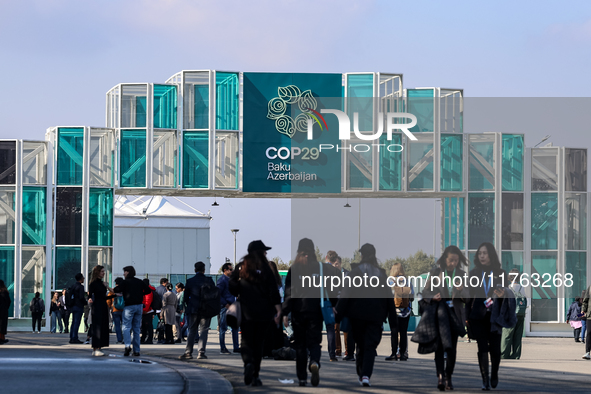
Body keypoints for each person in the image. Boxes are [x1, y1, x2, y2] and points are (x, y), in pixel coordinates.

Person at [335, 243, 396, 387]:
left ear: (361, 255)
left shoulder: (354, 273)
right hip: (376, 315)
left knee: (360, 345)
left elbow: (345, 295)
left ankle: (361, 372)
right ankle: (366, 375)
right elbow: (388, 298)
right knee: (369, 346)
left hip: (357, 315)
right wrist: (393, 322)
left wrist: (337, 316)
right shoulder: (381, 274)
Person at [282, 238, 339, 387]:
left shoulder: (294, 269)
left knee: (300, 345)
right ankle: (315, 362)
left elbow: (289, 293)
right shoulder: (321, 268)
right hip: (315, 311)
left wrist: (284, 313)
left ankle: (302, 378)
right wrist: (334, 305)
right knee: (314, 342)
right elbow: (331, 288)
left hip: (298, 312)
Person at [413, 245, 468, 391]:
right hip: (439, 314)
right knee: (439, 348)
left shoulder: (462, 274)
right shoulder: (436, 273)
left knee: (451, 349)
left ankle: (448, 375)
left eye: (456, 261)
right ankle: (440, 377)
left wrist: (462, 291)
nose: (453, 263)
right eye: (451, 260)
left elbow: (468, 298)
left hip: (455, 315)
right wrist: (433, 297)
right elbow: (425, 292)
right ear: (445, 259)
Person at [229, 241, 282, 387]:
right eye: (264, 251)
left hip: (246, 311)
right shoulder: (266, 269)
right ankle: (255, 375)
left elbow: (232, 287)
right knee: (259, 343)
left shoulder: (241, 267)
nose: (266, 253)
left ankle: (247, 364)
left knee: (246, 340)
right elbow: (273, 291)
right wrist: (278, 309)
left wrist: (240, 286)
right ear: (259, 252)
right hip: (264, 313)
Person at [465, 242, 510, 390]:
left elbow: (505, 295)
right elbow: (469, 297)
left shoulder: (501, 273)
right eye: (480, 253)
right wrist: (466, 317)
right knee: (482, 347)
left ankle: (494, 373)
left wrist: (502, 295)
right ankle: (485, 379)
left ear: (491, 254)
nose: (482, 256)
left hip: (494, 316)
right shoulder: (473, 273)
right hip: (477, 316)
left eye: (484, 253)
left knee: (496, 349)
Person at [112, 266, 152, 357]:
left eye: (125, 272)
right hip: (139, 306)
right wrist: (140, 294)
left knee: (126, 327)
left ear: (128, 272)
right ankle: (136, 350)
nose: (123, 274)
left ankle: (127, 345)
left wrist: (108, 287)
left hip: (129, 306)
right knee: (136, 328)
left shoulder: (125, 282)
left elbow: (116, 290)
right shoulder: (139, 281)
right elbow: (148, 290)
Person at [179, 261, 215, 360]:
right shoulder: (209, 280)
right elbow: (214, 295)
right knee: (204, 331)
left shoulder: (190, 281)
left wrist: (188, 305)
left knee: (192, 330)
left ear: (195, 270)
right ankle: (201, 353)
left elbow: (185, 297)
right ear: (204, 270)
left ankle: (188, 353)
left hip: (193, 309)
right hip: (206, 310)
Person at [385, 262, 414, 361]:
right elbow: (412, 296)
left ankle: (394, 353)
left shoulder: (390, 281)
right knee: (403, 332)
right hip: (405, 311)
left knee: (394, 332)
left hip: (393, 311)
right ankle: (402, 354)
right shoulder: (407, 281)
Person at [501, 268, 527, 359]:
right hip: (520, 313)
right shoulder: (522, 287)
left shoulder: (507, 288)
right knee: (517, 335)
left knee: (507, 334)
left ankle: (504, 354)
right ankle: (516, 355)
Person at [88, 265, 112, 356]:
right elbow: (90, 294)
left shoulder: (102, 283)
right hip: (97, 306)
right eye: (102, 271)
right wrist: (90, 299)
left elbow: (104, 296)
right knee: (97, 326)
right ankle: (96, 347)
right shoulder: (94, 283)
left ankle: (99, 347)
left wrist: (109, 289)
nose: (104, 273)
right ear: (97, 272)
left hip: (102, 305)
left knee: (102, 326)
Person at [217, 262, 240, 354]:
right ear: (225, 270)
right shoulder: (222, 280)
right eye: (230, 269)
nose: (232, 271)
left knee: (235, 327)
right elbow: (218, 294)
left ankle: (236, 347)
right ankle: (223, 348)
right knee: (223, 328)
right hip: (225, 307)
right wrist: (225, 304)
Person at [324, 250, 338, 361]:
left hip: (317, 301)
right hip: (329, 303)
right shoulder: (336, 272)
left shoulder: (319, 269)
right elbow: (336, 290)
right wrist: (334, 304)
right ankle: (332, 354)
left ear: (326, 257)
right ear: (335, 260)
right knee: (330, 328)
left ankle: (312, 352)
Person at [68, 273, 87, 344]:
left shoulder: (73, 286)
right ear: (81, 278)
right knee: (77, 322)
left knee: (73, 322)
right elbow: (81, 297)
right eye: (83, 278)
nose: (84, 279)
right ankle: (74, 338)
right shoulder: (81, 287)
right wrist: (85, 302)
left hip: (73, 306)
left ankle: (72, 337)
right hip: (79, 306)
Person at [107, 277, 124, 344]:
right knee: (125, 325)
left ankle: (119, 339)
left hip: (115, 310)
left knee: (117, 325)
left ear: (116, 283)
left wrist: (110, 307)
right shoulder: (124, 290)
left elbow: (108, 301)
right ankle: (125, 339)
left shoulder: (113, 291)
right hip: (124, 310)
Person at [141, 278, 156, 344]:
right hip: (147, 310)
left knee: (148, 325)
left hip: (147, 311)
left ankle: (149, 339)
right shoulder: (147, 290)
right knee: (145, 326)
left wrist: (144, 310)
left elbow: (147, 302)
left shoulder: (148, 291)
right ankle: (143, 338)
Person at [155, 278, 169, 344]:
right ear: (164, 282)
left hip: (157, 309)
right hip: (162, 309)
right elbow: (165, 300)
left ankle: (159, 337)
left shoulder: (157, 288)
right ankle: (161, 338)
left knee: (160, 323)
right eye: (167, 282)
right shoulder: (164, 289)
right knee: (163, 324)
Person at [0, 279, 11, 344]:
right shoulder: (5, 292)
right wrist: (5, 308)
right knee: (2, 325)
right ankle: (2, 338)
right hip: (3, 311)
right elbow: (9, 301)